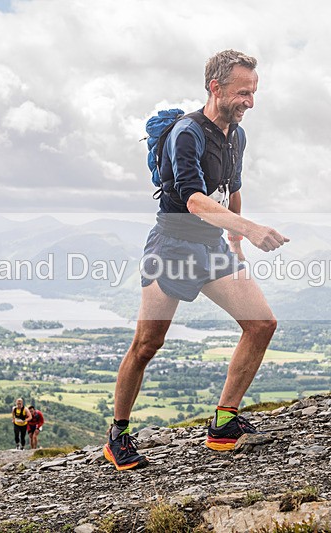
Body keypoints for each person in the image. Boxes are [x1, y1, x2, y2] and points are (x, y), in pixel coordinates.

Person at [103, 49, 289, 471]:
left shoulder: (236, 135)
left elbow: (232, 186)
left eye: (254, 93)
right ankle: (117, 434)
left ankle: (224, 424)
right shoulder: (187, 133)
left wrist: (235, 238)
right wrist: (253, 229)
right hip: (171, 248)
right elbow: (192, 199)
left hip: (213, 249)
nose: (250, 102)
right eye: (243, 93)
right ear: (215, 87)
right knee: (148, 344)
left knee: (261, 324)